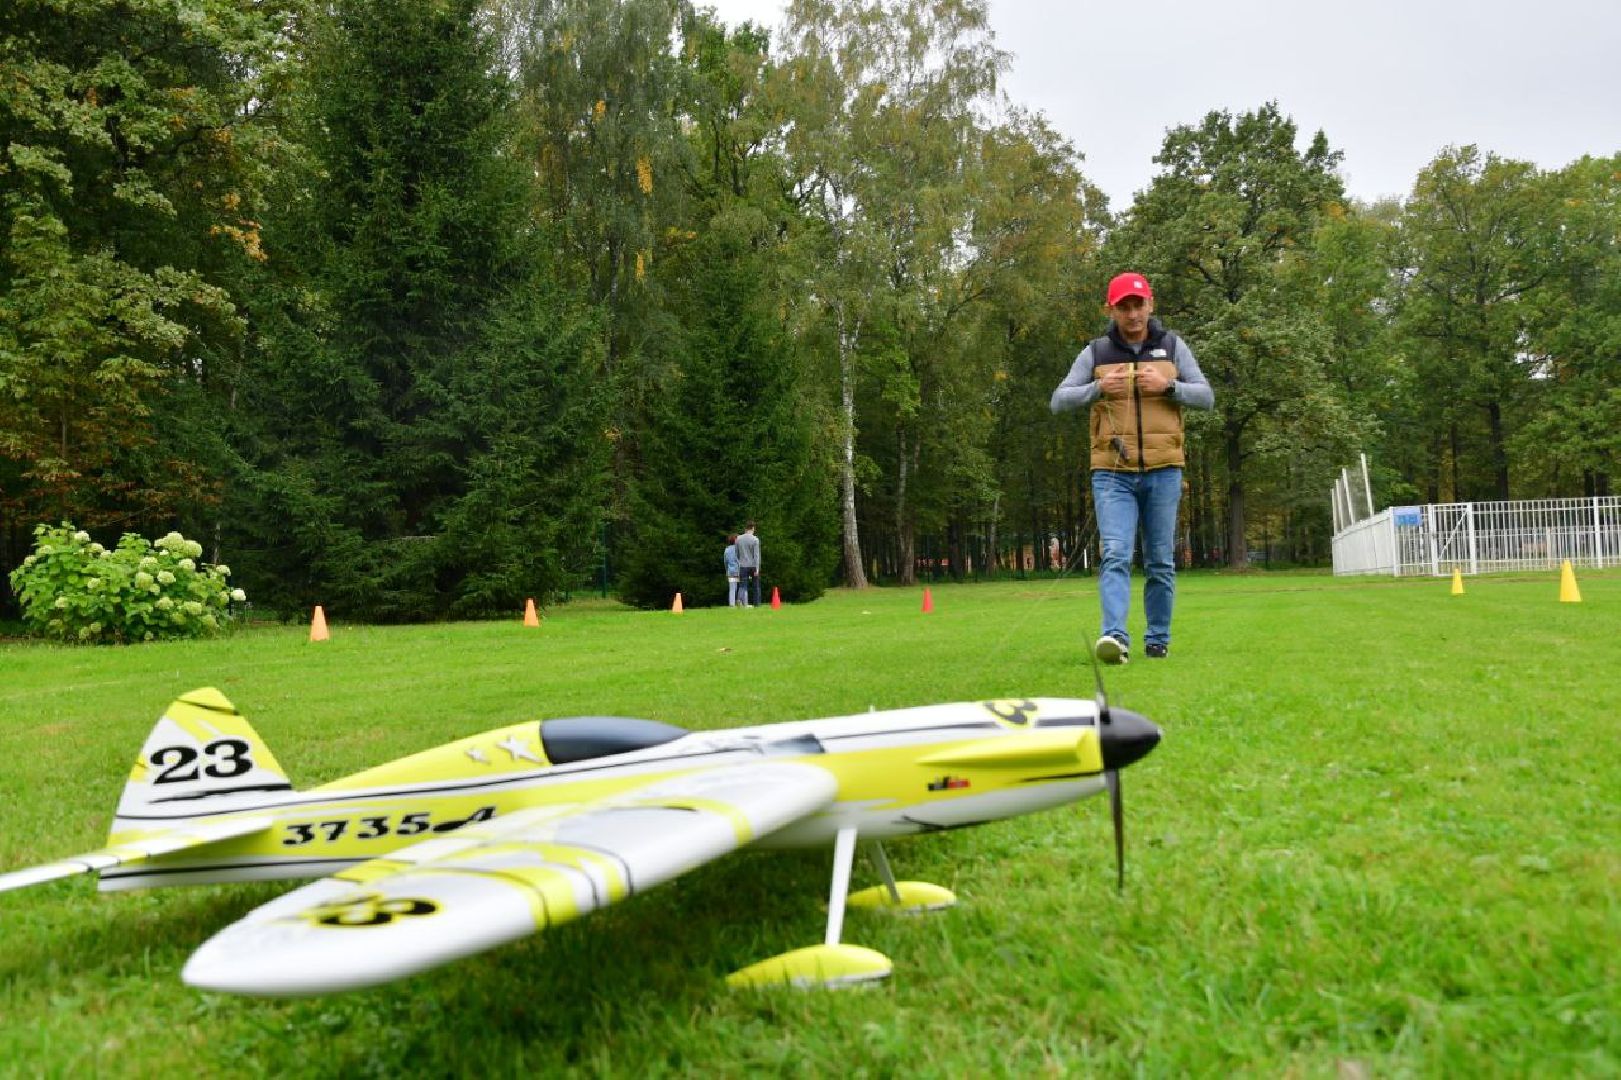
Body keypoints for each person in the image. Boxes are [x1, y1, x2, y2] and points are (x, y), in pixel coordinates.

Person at [1050, 271, 1214, 663]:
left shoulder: (1173, 347)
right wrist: (1097, 389)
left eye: (1138, 304)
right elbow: (1058, 400)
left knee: (1160, 560)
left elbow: (1206, 397)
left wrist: (1169, 387)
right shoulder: (1096, 353)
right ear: (1111, 309)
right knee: (1116, 554)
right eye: (1123, 306)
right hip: (1111, 473)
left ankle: (1157, 639)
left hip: (1164, 470)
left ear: (1150, 304)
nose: (1132, 313)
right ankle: (1115, 638)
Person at [734, 521, 761, 607]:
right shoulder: (755, 539)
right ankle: (756, 604)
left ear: (745, 528)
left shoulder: (738, 538)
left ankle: (740, 600)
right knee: (755, 586)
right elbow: (756, 556)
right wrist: (757, 568)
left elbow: (737, 553)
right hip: (753, 566)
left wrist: (740, 561)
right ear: (753, 528)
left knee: (743, 585)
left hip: (742, 566)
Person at [724, 534, 741, 607]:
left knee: (732, 588)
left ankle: (732, 604)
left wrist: (727, 570)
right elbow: (739, 561)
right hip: (738, 570)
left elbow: (725, 562)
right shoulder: (737, 549)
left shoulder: (727, 550)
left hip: (730, 571)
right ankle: (738, 602)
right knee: (739, 587)